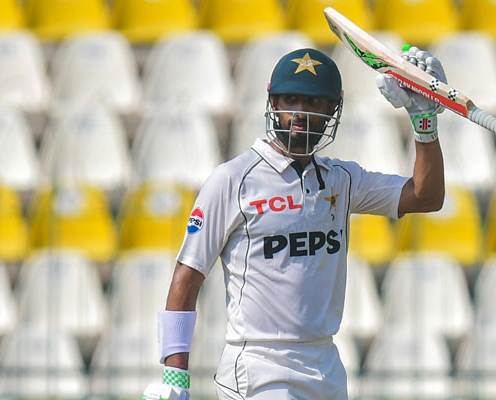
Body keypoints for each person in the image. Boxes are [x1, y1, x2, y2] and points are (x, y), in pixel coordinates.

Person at [142, 45, 447, 400]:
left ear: (333, 109)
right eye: (291, 100)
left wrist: (424, 121)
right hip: (258, 365)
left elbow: (426, 197)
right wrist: (175, 374)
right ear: (273, 102)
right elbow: (188, 274)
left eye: (314, 102)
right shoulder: (233, 179)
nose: (300, 112)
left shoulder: (342, 180)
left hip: (325, 366)